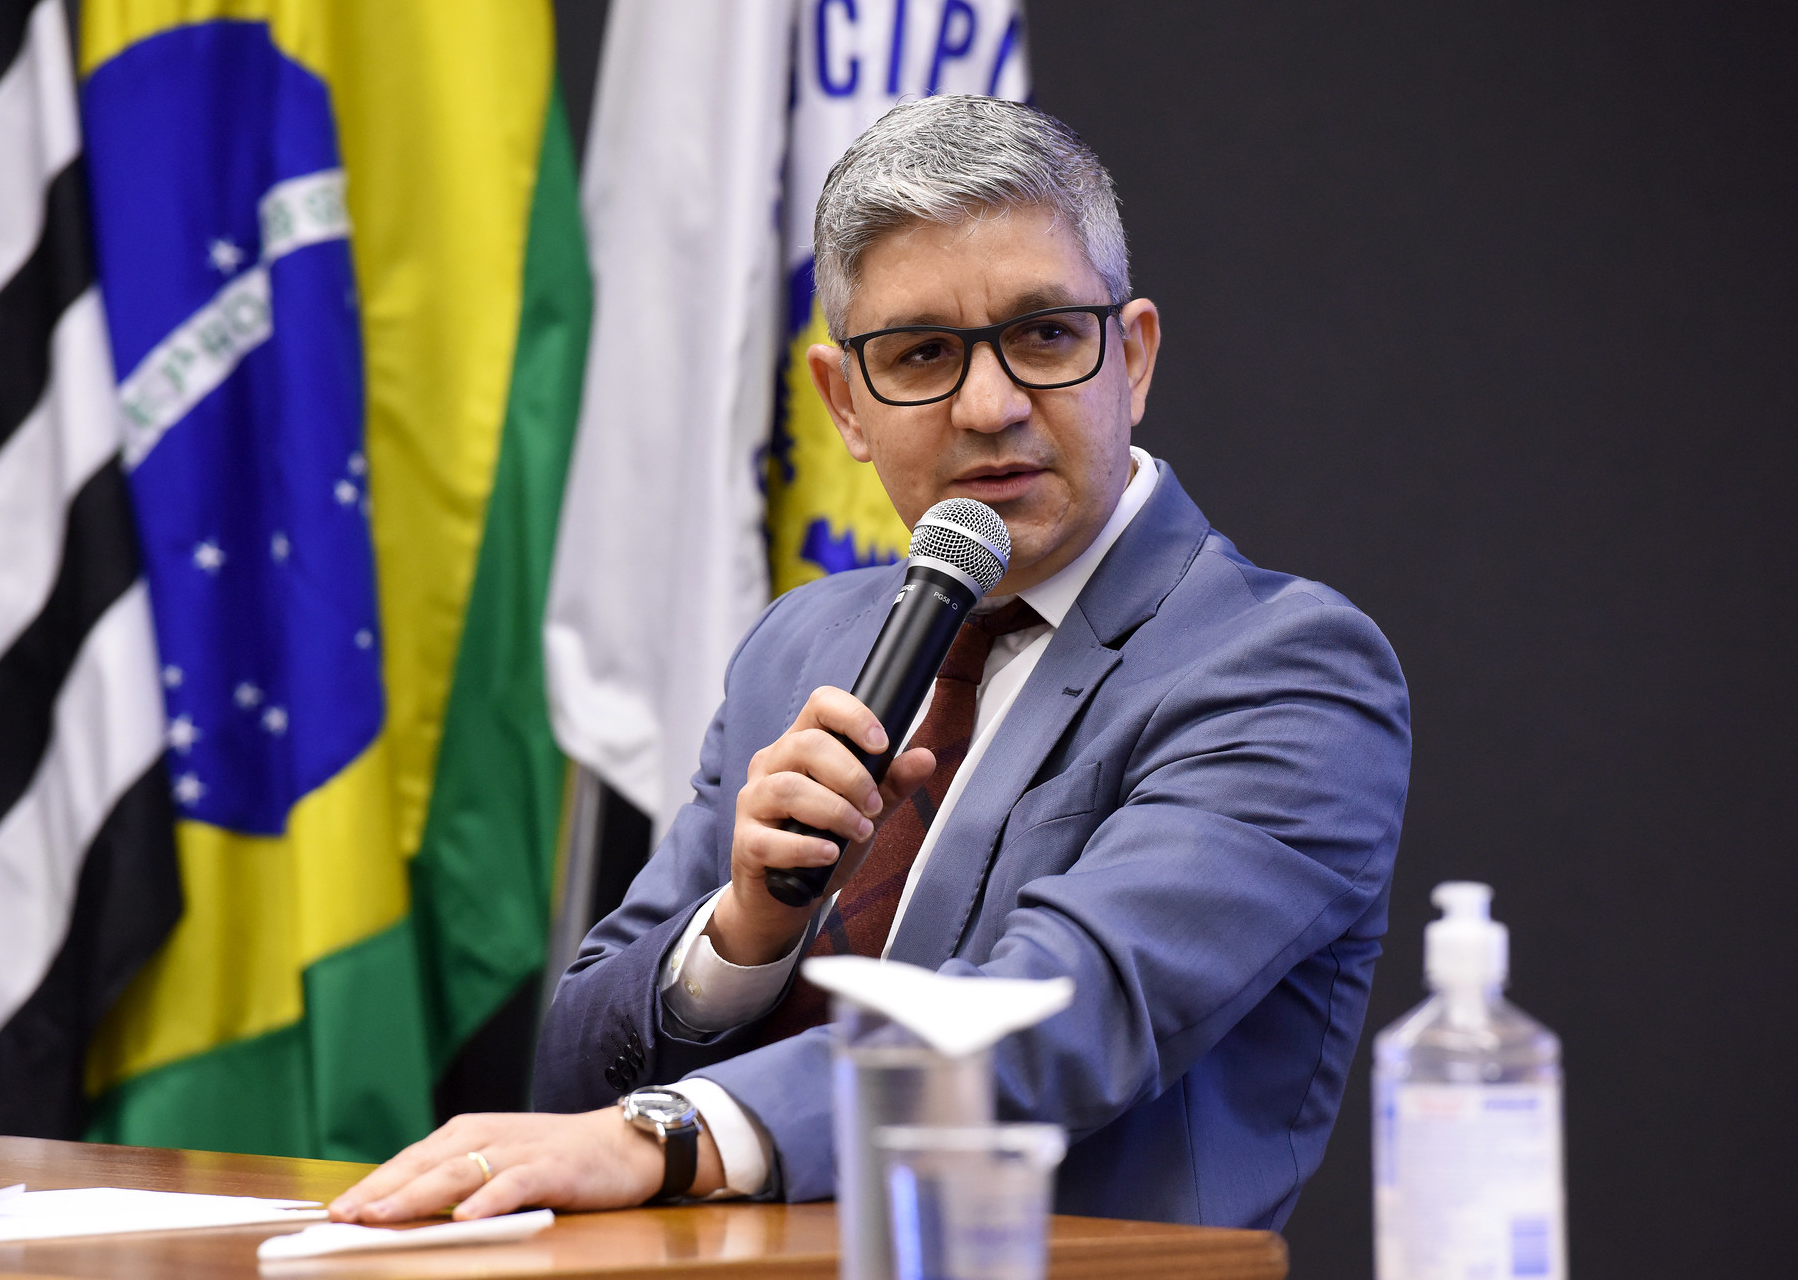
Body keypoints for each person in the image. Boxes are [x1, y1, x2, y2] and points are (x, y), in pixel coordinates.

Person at [330, 95, 1410, 1230]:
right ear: (843, 403)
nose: (988, 407)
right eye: (921, 355)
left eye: (1044, 335)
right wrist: (743, 933)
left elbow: (1051, 1023)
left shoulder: (1286, 668)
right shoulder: (799, 644)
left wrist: (676, 1130)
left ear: (1130, 358)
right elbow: (572, 1071)